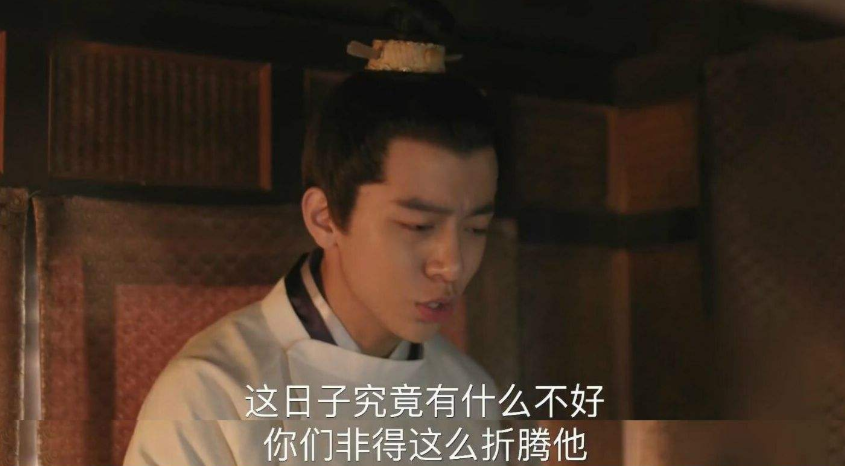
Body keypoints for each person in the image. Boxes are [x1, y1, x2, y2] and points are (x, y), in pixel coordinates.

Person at [123, 67, 504, 466]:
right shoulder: (212, 394)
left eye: (476, 228)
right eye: (418, 226)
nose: (452, 265)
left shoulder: (468, 393)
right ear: (325, 218)